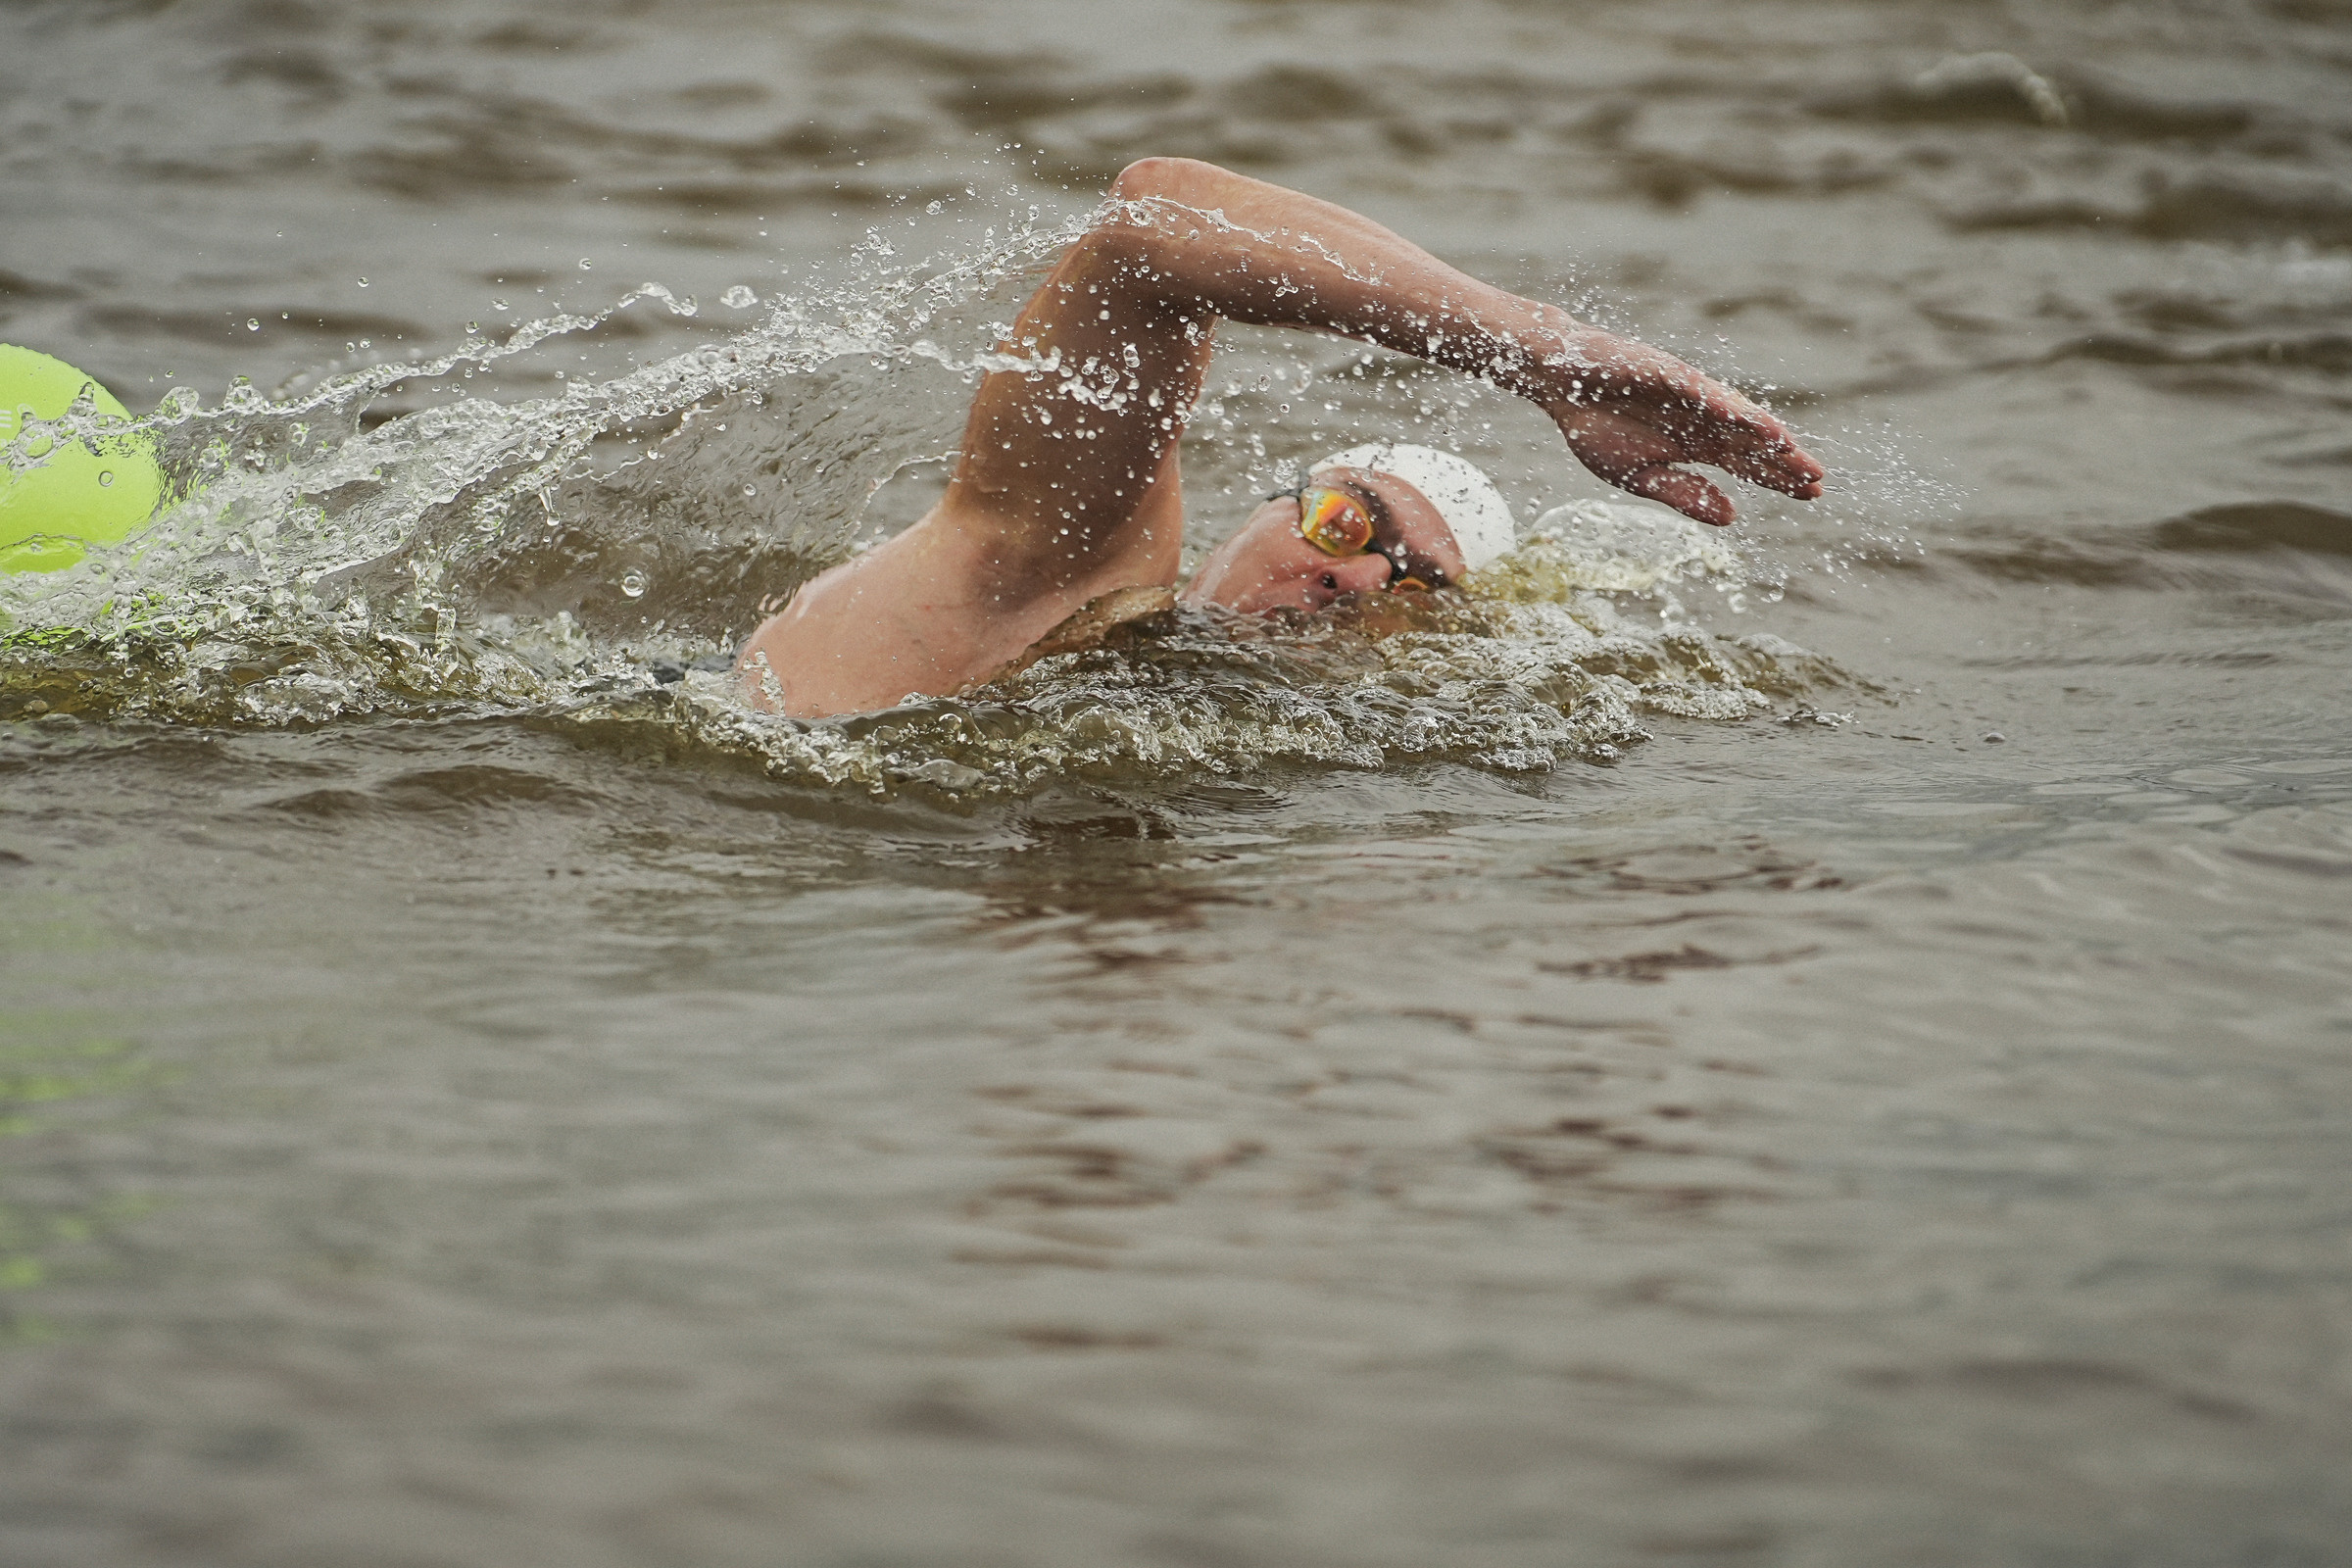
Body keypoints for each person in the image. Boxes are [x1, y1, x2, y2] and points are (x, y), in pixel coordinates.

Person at [735, 157, 1824, 718]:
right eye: (1349, 520)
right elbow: (1156, 221)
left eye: (1413, 588)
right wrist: (1535, 353)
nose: (1354, 577)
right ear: (1268, 504)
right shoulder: (1056, 569)